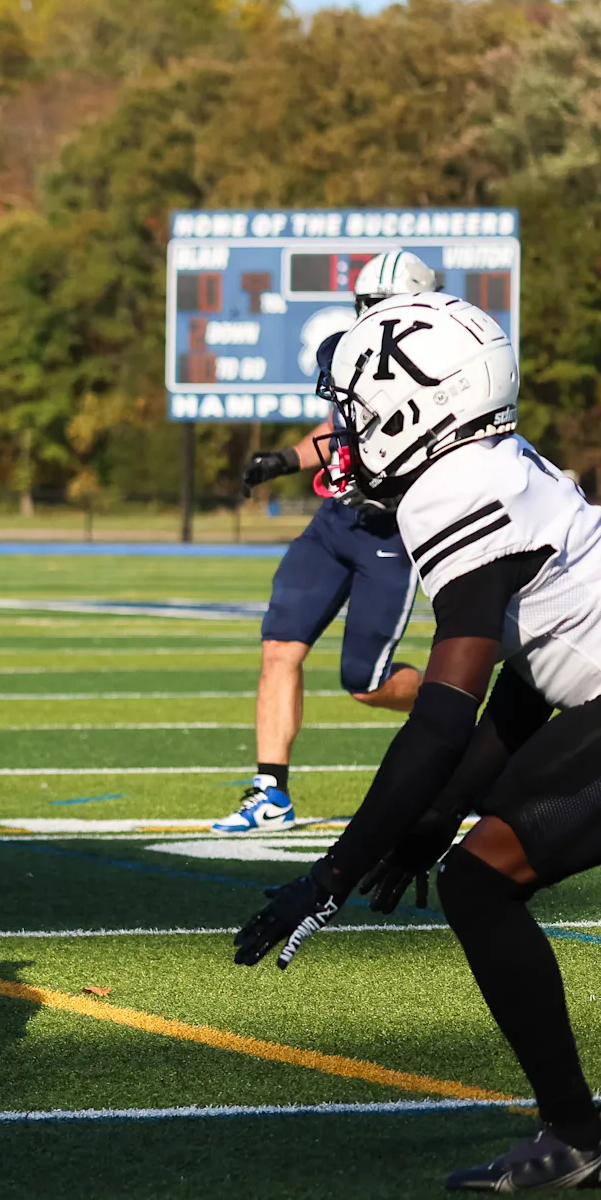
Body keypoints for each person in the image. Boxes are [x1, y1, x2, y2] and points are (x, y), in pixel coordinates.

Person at [234, 290, 601, 1191]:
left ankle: (577, 1137)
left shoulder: (452, 490)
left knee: (482, 881)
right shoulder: (492, 461)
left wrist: (331, 875)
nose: (346, 433)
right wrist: (435, 815)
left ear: (416, 410)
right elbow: (532, 675)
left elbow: (442, 715)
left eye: (356, 411)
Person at [214, 252, 441, 834]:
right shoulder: (358, 358)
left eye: (381, 308)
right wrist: (285, 459)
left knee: (365, 684)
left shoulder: (445, 373)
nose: (372, 320)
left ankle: (453, 702)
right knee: (279, 648)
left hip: (388, 531)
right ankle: (271, 792)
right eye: (366, 307)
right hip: (333, 523)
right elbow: (342, 430)